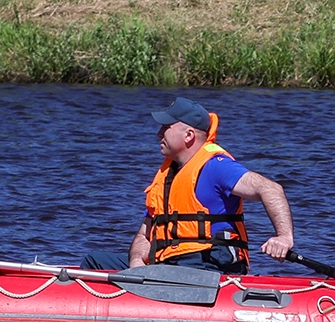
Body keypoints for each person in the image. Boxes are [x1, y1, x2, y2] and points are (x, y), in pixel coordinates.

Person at [81, 97, 294, 275]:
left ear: (189, 135)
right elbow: (145, 234)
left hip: (206, 264)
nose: (158, 134)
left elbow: (270, 189)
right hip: (169, 263)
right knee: (95, 262)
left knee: (166, 273)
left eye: (165, 128)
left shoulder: (215, 166)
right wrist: (137, 262)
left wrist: (283, 237)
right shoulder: (167, 176)